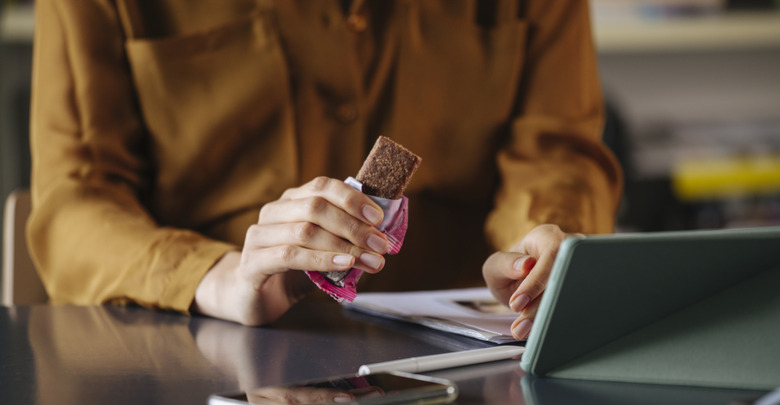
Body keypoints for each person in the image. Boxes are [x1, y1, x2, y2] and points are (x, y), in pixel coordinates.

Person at [27, 0, 622, 340]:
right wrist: (218, 278)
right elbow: (76, 199)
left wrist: (540, 248)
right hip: (207, 353)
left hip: (473, 360)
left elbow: (556, 151)